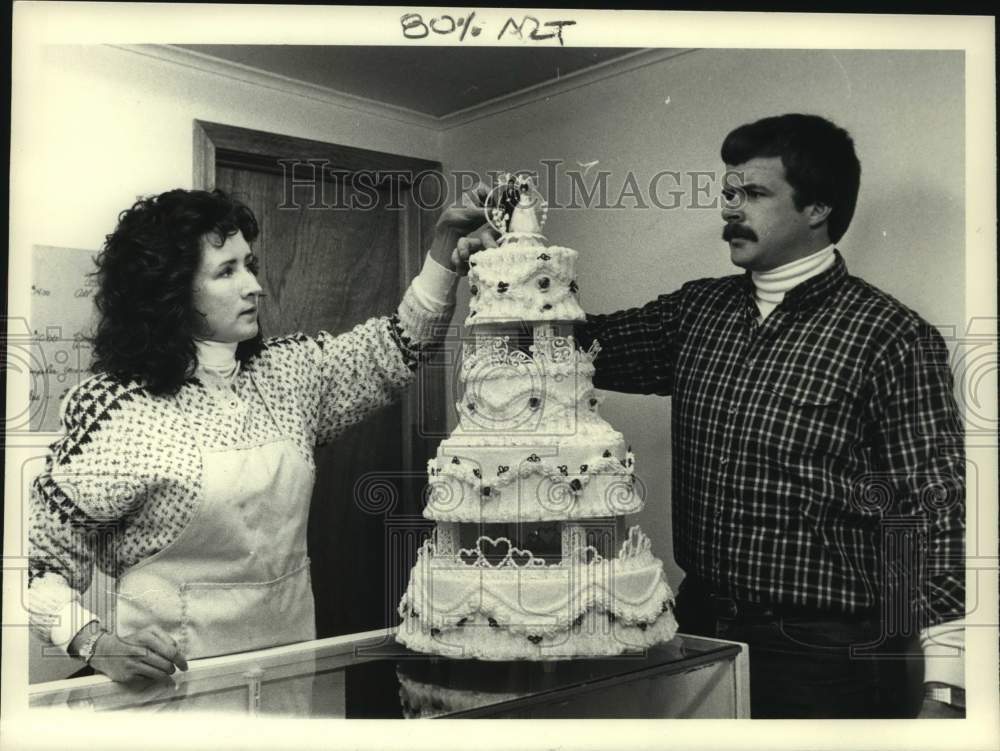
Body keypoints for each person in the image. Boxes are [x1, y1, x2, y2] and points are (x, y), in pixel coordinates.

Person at [574, 114, 965, 719]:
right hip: (699, 628)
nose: (731, 209)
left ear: (818, 209)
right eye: (729, 193)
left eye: (754, 194)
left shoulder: (891, 336)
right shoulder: (697, 312)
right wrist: (505, 267)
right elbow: (575, 349)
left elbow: (930, 512)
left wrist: (946, 689)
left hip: (828, 656)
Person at [27, 186, 486, 690]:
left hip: (289, 668)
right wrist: (95, 643)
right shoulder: (112, 408)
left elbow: (396, 346)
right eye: (227, 271)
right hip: (170, 694)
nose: (254, 286)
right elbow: (40, 568)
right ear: (170, 293)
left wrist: (444, 248)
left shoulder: (287, 372)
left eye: (250, 264)